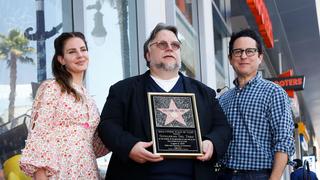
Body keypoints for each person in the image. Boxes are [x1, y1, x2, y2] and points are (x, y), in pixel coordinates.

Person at [98, 23, 232, 180]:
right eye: (162, 44)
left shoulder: (205, 93)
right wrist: (130, 147)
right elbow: (107, 126)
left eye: (175, 45)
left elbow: (222, 128)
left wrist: (211, 143)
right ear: (148, 55)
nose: (170, 48)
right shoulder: (122, 90)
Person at [19, 32, 108, 179]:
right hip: (60, 171)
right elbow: (40, 139)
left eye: (83, 49)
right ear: (61, 59)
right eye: (72, 52)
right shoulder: (52, 88)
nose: (80, 55)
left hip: (87, 171)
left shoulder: (89, 100)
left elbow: (96, 146)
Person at [218, 28, 295, 180]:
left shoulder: (274, 92)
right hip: (224, 174)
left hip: (259, 175)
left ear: (260, 57)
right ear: (230, 58)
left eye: (250, 51)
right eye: (238, 52)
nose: (243, 56)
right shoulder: (223, 99)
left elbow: (284, 141)